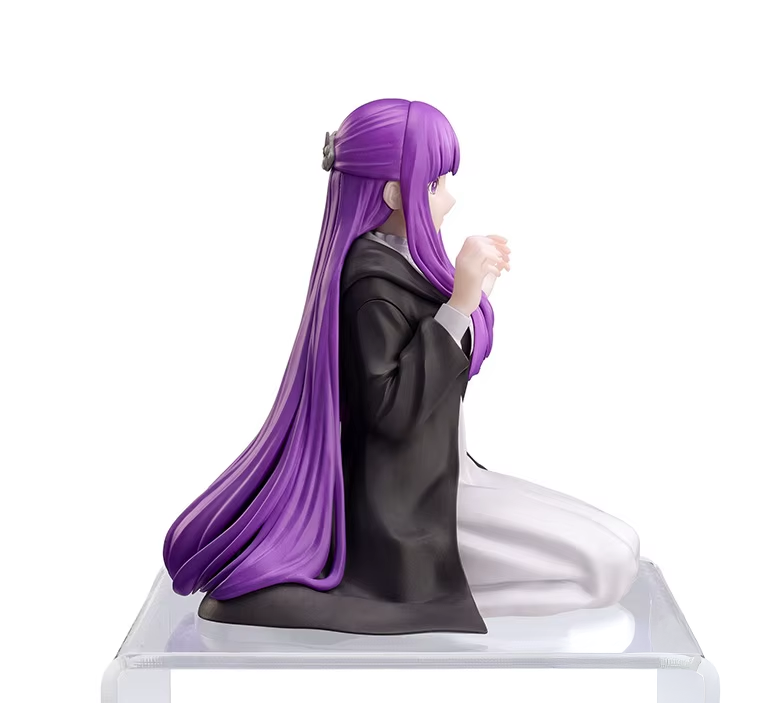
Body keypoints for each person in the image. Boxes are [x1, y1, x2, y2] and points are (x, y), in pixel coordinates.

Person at [162, 98, 640, 634]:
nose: (450, 199)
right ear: (394, 193)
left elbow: (450, 366)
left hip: (448, 474)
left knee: (624, 546)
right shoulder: (369, 284)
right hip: (411, 505)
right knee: (607, 570)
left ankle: (451, 603)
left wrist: (474, 297)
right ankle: (438, 608)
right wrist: (460, 303)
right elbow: (392, 410)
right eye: (435, 185)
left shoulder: (402, 262)